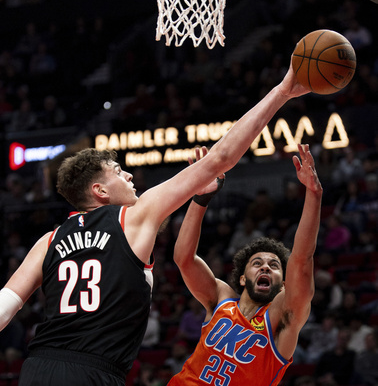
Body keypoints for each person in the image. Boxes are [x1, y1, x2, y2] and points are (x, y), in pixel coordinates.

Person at [0, 58, 310, 385]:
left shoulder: (47, 241)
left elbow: (5, 309)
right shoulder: (133, 217)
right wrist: (282, 91)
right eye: (119, 172)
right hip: (95, 372)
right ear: (100, 190)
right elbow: (221, 158)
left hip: (38, 369)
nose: (130, 175)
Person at [168, 143, 323, 385]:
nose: (265, 267)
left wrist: (313, 194)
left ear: (283, 284)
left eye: (274, 265)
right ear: (242, 278)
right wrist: (201, 198)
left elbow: (302, 261)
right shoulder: (221, 299)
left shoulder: (282, 318)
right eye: (257, 263)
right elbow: (184, 259)